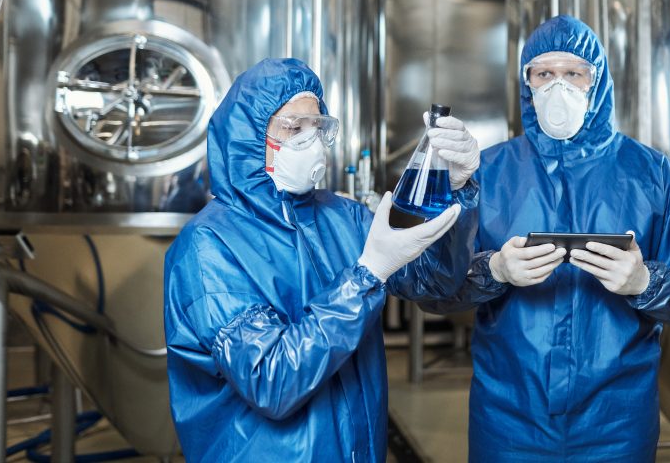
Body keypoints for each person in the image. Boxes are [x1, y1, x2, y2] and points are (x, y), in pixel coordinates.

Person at [423, 15, 670, 461]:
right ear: (526, 83)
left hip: (616, 420)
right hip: (509, 418)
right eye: (544, 74)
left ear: (596, 81)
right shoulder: (484, 172)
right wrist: (495, 270)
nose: (557, 87)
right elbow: (433, 290)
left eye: (573, 74)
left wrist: (646, 283)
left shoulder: (652, 174)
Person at [164, 58, 481, 462]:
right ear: (250, 137)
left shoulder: (341, 216)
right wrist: (366, 276)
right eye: (294, 127)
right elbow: (272, 381)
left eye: (318, 127)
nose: (310, 140)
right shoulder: (208, 246)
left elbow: (434, 281)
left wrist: (456, 188)